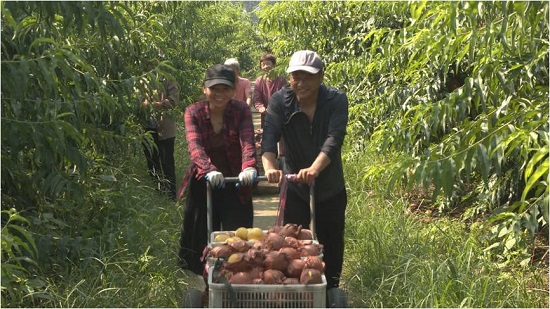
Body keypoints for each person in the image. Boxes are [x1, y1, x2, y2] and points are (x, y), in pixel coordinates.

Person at [261, 50, 348, 289]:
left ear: (321, 75)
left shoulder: (336, 100)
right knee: (292, 248)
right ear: (289, 78)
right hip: (295, 188)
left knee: (330, 244)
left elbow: (334, 139)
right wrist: (270, 166)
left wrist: (315, 168)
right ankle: (298, 296)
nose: (301, 83)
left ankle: (330, 292)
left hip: (329, 186)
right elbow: (270, 137)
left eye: (308, 77)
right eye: (296, 76)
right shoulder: (280, 101)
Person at [177, 64, 258, 276]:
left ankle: (238, 281)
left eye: (225, 89)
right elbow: (195, 146)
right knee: (202, 239)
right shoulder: (193, 112)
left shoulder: (241, 110)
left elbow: (247, 141)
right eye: (214, 89)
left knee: (238, 241)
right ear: (205, 89)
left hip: (235, 183)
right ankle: (207, 284)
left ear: (233, 90)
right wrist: (209, 169)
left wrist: (248, 167)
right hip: (205, 184)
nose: (219, 94)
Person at [142, 76, 179, 200]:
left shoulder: (168, 80)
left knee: (167, 161)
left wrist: (155, 105)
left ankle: (171, 195)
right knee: (152, 161)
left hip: (165, 128)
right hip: (147, 128)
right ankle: (158, 192)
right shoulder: (142, 80)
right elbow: (136, 102)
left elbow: (174, 101)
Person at [253, 53, 287, 130]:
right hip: (265, 115)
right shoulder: (259, 81)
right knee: (267, 137)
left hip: (280, 114)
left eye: (268, 64)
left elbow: (286, 96)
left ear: (274, 65)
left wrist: (276, 108)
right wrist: (261, 107)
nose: (265, 67)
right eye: (263, 64)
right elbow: (256, 98)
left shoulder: (281, 79)